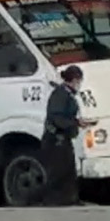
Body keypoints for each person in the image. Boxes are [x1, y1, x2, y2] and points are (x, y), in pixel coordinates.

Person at [38, 65, 92, 206]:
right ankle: (54, 200)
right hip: (55, 140)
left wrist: (77, 123)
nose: (79, 84)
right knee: (57, 172)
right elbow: (57, 118)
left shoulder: (66, 94)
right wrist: (75, 123)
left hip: (63, 139)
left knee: (68, 170)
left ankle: (70, 199)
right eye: (79, 81)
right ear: (74, 80)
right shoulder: (60, 94)